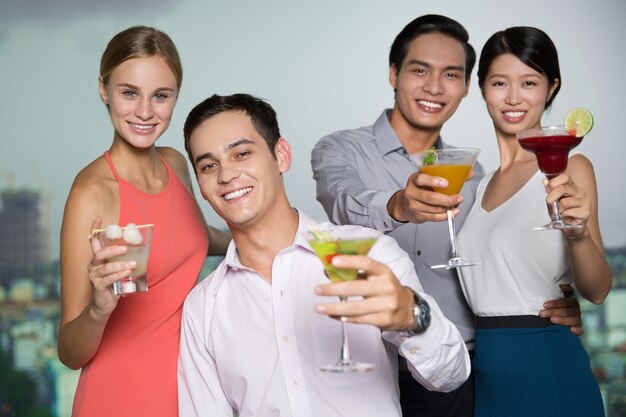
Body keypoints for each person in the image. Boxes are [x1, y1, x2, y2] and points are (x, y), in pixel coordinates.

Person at [311, 14, 584, 417]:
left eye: (451, 74)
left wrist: (555, 303)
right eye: (419, 70)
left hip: (455, 366)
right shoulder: (340, 150)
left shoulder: (473, 176)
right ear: (393, 73)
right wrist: (398, 205)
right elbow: (342, 199)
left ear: (465, 88)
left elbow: (499, 262)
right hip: (372, 365)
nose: (435, 87)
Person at [177, 93, 470, 417]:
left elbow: (451, 376)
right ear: (201, 186)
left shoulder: (370, 255)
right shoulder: (202, 308)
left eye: (242, 153)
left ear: (281, 156)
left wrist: (412, 316)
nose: (226, 175)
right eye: (208, 165)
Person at [57, 26, 230, 417]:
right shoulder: (92, 192)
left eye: (161, 96)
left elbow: (202, 239)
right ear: (104, 90)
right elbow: (69, 351)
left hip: (191, 391)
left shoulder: (175, 163)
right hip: (121, 397)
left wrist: (262, 232)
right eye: (129, 93)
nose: (146, 112)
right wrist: (101, 307)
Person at [456, 26, 611, 416]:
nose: (512, 97)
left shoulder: (572, 167)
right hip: (487, 372)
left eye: (529, 82)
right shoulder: (478, 184)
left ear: (551, 88)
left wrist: (577, 236)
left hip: (547, 363)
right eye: (498, 82)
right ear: (482, 89)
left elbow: (597, 290)